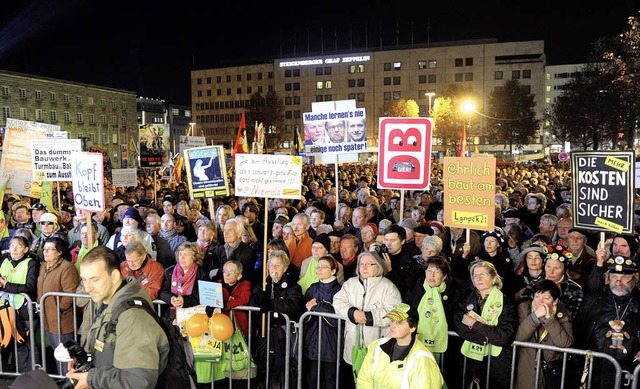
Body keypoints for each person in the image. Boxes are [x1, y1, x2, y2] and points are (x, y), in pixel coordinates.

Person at [70, 246, 169, 388]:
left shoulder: (133, 316)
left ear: (115, 276)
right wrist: (83, 358)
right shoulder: (106, 301)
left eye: (94, 279)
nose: (87, 288)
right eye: (84, 280)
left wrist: (92, 379)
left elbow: (138, 381)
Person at [333, 251, 402, 389]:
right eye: (361, 264)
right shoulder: (350, 284)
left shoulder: (387, 286)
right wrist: (352, 313)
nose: (364, 268)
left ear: (378, 266)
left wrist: (368, 317)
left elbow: (395, 311)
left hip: (377, 346)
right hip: (352, 345)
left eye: (369, 264)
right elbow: (338, 301)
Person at [577, 255, 640, 389]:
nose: (618, 282)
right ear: (607, 278)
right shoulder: (593, 301)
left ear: (634, 278)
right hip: (595, 370)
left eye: (624, 277)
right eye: (614, 277)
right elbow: (579, 332)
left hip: (630, 372)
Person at [454, 260, 517, 389]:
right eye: (475, 275)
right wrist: (488, 337)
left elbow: (504, 336)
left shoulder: (506, 302)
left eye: (483, 275)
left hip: (496, 364)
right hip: (471, 360)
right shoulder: (465, 298)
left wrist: (475, 325)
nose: (478, 279)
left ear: (494, 278)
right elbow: (459, 326)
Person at [356, 303, 444, 389]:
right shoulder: (376, 346)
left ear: (413, 327)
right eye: (392, 320)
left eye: (400, 322)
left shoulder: (423, 359)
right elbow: (364, 381)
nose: (392, 325)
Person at [515, 279, 573, 389]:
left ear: (555, 301)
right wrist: (534, 317)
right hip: (526, 366)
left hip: (550, 370)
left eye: (545, 298)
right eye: (537, 297)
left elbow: (565, 343)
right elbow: (519, 337)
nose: (539, 302)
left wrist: (550, 319)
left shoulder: (563, 312)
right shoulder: (524, 308)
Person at [37, 236, 79, 375]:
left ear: (59, 252)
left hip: (62, 320)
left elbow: (70, 293)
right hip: (47, 318)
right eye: (45, 249)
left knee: (65, 355)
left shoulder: (67, 268)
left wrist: (59, 308)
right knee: (56, 351)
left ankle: (68, 380)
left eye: (50, 249)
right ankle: (61, 379)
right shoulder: (43, 266)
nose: (46, 252)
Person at [0, 235, 39, 372]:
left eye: (18, 246)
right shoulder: (4, 259)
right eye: (11, 246)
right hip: (7, 309)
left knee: (29, 342)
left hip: (25, 309)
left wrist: (7, 285)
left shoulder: (32, 263)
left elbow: (29, 287)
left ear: (26, 249)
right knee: (17, 342)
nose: (13, 249)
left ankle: (33, 373)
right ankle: (22, 373)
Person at [303, 255, 343, 389]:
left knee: (329, 382)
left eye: (323, 267)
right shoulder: (313, 288)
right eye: (318, 267)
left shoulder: (339, 290)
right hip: (312, 342)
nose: (319, 270)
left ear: (333, 271)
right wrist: (311, 309)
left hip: (331, 344)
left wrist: (316, 307)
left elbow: (338, 319)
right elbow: (304, 314)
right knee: (312, 380)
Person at [159, 241, 208, 315]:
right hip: (172, 313)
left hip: (194, 313)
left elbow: (203, 295)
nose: (182, 257)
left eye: (185, 255)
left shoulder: (202, 273)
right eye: (180, 254)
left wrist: (184, 301)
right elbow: (163, 292)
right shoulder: (169, 271)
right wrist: (171, 299)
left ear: (194, 257)